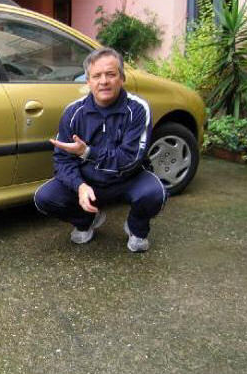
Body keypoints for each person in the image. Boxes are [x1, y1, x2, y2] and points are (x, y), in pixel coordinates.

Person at [33, 47, 166, 252]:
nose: (103, 81)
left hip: (128, 178)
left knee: (154, 193)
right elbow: (62, 161)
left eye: (110, 74)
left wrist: (88, 152)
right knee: (45, 198)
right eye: (96, 76)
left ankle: (136, 227)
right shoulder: (73, 112)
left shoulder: (138, 109)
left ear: (122, 78)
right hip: (89, 180)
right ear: (88, 81)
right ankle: (87, 219)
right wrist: (79, 186)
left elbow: (130, 158)